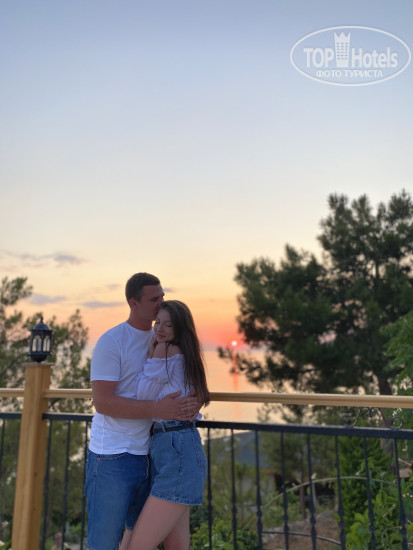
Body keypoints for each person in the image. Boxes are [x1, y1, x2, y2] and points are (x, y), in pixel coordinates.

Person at [84, 273, 200, 550]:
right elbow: (103, 402)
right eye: (154, 299)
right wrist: (160, 408)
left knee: (143, 538)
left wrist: (194, 401)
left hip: (154, 454)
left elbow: (185, 379)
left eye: (162, 296)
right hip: (114, 456)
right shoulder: (112, 341)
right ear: (133, 303)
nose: (161, 303)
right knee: (105, 543)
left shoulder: (164, 336)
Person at [127, 300, 210, 550]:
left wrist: (152, 353)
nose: (160, 329)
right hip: (176, 448)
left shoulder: (166, 350)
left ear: (180, 328)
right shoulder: (183, 353)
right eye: (157, 323)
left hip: (177, 451)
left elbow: (142, 394)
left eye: (168, 325)